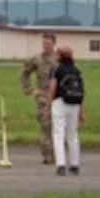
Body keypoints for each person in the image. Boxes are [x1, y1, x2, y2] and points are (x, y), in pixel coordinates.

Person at [19, 33, 60, 165]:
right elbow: (24, 74)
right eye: (44, 44)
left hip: (58, 96)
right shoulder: (37, 59)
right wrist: (30, 90)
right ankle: (47, 154)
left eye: (48, 44)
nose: (46, 46)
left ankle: (58, 154)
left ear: (54, 44)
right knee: (45, 125)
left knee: (58, 126)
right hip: (43, 96)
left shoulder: (59, 59)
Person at [49, 47, 83, 176]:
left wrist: (47, 106)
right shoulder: (76, 70)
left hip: (60, 102)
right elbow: (81, 90)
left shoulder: (57, 69)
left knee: (58, 133)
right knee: (73, 134)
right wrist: (82, 111)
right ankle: (74, 164)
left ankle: (61, 164)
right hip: (75, 104)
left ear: (60, 55)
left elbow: (52, 89)